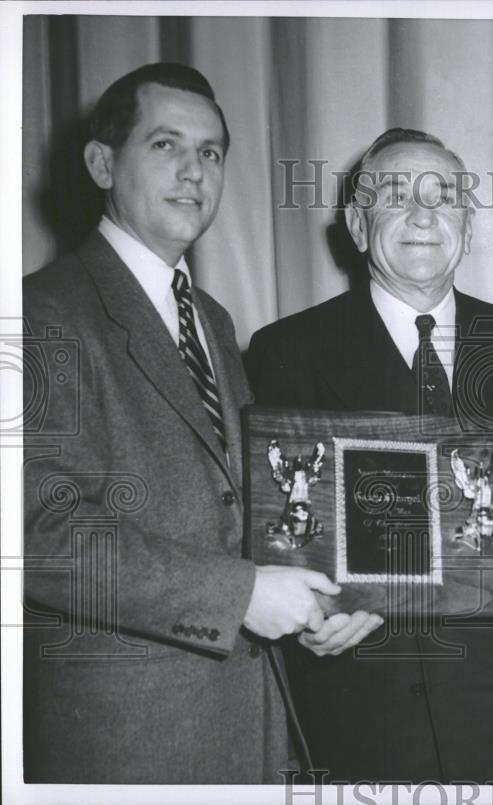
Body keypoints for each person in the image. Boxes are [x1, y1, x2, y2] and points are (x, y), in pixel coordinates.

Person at [245, 128, 493, 783]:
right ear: (356, 224)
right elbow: (273, 524)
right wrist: (312, 615)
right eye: (396, 196)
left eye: (444, 197)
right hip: (360, 713)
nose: (423, 215)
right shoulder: (287, 349)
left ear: (467, 220)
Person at [22, 62, 340, 783]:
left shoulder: (213, 320)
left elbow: (241, 508)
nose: (193, 172)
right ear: (102, 163)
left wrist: (330, 595)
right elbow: (39, 534)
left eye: (211, 152)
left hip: (249, 725)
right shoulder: (41, 314)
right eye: (165, 145)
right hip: (126, 741)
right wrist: (243, 595)